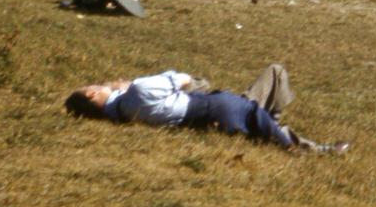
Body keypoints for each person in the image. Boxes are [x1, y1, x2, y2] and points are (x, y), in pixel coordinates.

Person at [64, 64, 348, 154]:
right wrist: (126, 84)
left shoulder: (123, 116)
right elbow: (186, 80)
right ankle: (308, 146)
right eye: (96, 85)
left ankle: (270, 123)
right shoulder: (138, 90)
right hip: (215, 106)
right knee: (270, 79)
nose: (102, 84)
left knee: (268, 86)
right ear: (92, 93)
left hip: (207, 114)